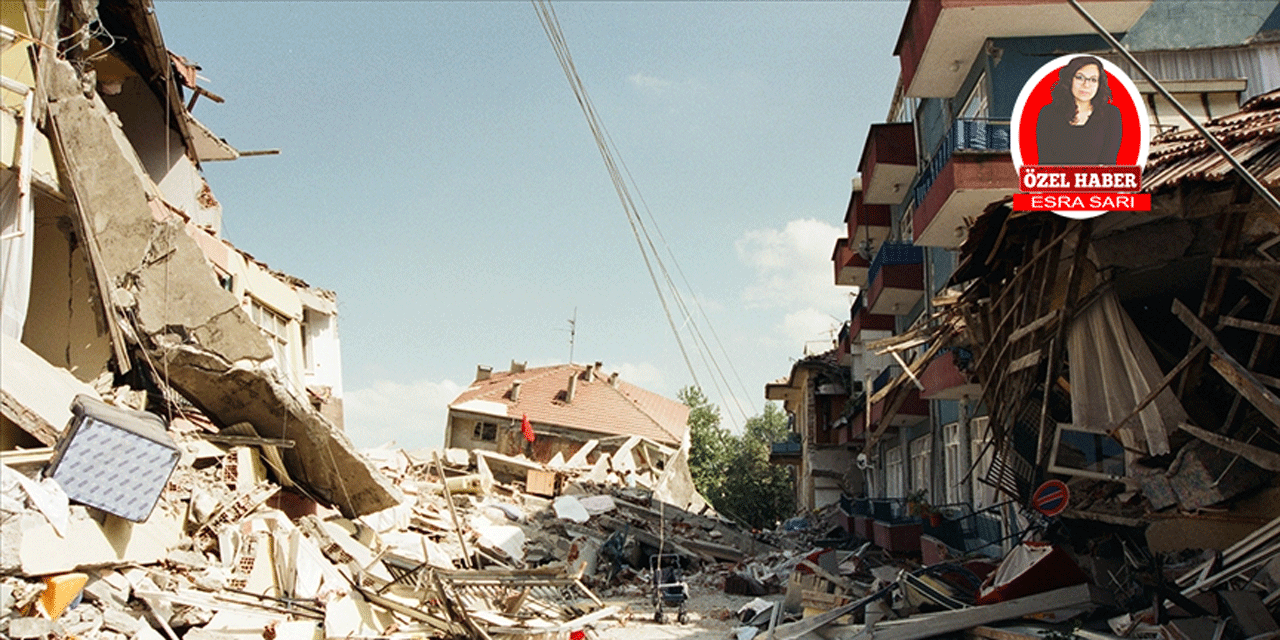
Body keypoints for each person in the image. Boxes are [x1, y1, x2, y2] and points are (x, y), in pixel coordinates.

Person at [1034, 55, 1123, 165]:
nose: (1086, 85)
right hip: (1057, 181)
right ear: (1069, 80)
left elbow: (1108, 163)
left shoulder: (1111, 115)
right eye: (1080, 77)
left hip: (1097, 181)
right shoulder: (1048, 114)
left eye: (1093, 80)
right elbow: (1045, 162)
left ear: (1099, 84)